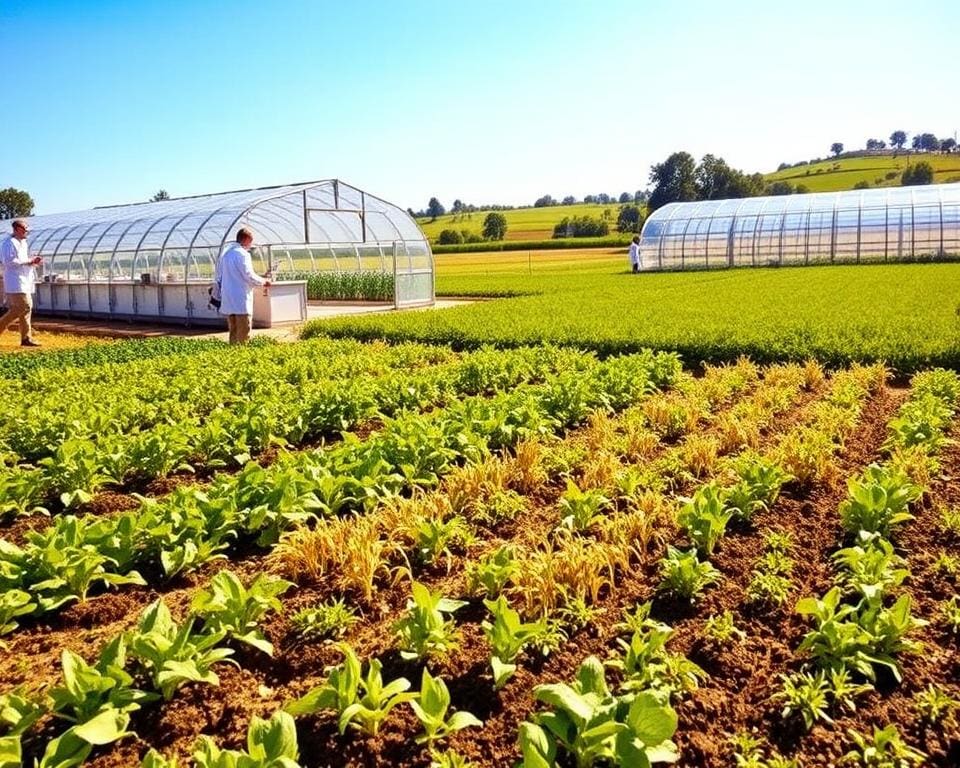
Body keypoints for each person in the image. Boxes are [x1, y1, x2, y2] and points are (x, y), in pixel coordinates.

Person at [214, 227, 270, 344]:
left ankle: (233, 354)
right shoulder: (242, 254)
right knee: (244, 331)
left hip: (228, 298)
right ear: (245, 240)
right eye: (250, 242)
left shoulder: (225, 254)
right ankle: (242, 356)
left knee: (233, 331)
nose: (250, 245)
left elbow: (219, 276)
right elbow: (248, 275)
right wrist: (263, 281)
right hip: (240, 298)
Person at [0, 219, 42, 346]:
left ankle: (26, 338)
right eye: (24, 229)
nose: (27, 232)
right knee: (23, 307)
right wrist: (28, 261)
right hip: (15, 281)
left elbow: (22, 260)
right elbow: (8, 262)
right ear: (17, 229)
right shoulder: (9, 243)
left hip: (24, 281)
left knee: (26, 309)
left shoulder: (23, 243)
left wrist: (32, 262)